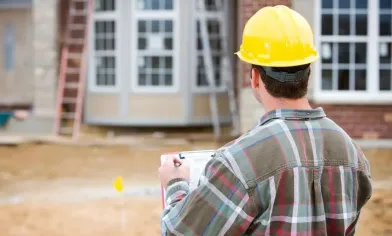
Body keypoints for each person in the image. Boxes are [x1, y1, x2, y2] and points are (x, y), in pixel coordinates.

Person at [158, 5, 372, 236]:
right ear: (308, 70)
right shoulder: (352, 154)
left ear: (256, 77)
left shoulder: (240, 161)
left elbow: (178, 232)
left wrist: (176, 185)